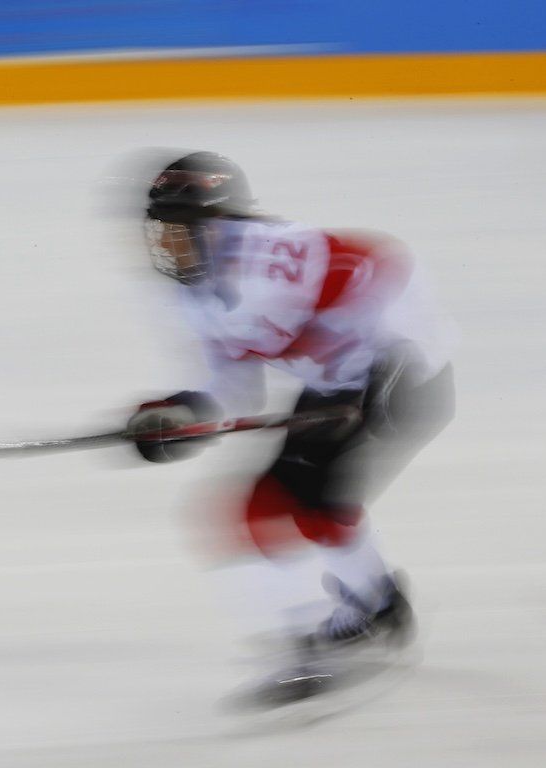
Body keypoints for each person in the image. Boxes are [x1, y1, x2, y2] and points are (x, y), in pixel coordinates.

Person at [126, 151, 457, 665]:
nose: (168, 242)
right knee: (287, 506)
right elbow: (233, 389)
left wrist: (400, 365)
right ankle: (377, 607)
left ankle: (317, 644)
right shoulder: (190, 297)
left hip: (402, 377)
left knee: (297, 505)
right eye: (160, 228)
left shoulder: (276, 257)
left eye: (181, 226)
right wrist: (180, 415)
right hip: (334, 390)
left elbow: (384, 261)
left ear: (221, 225)